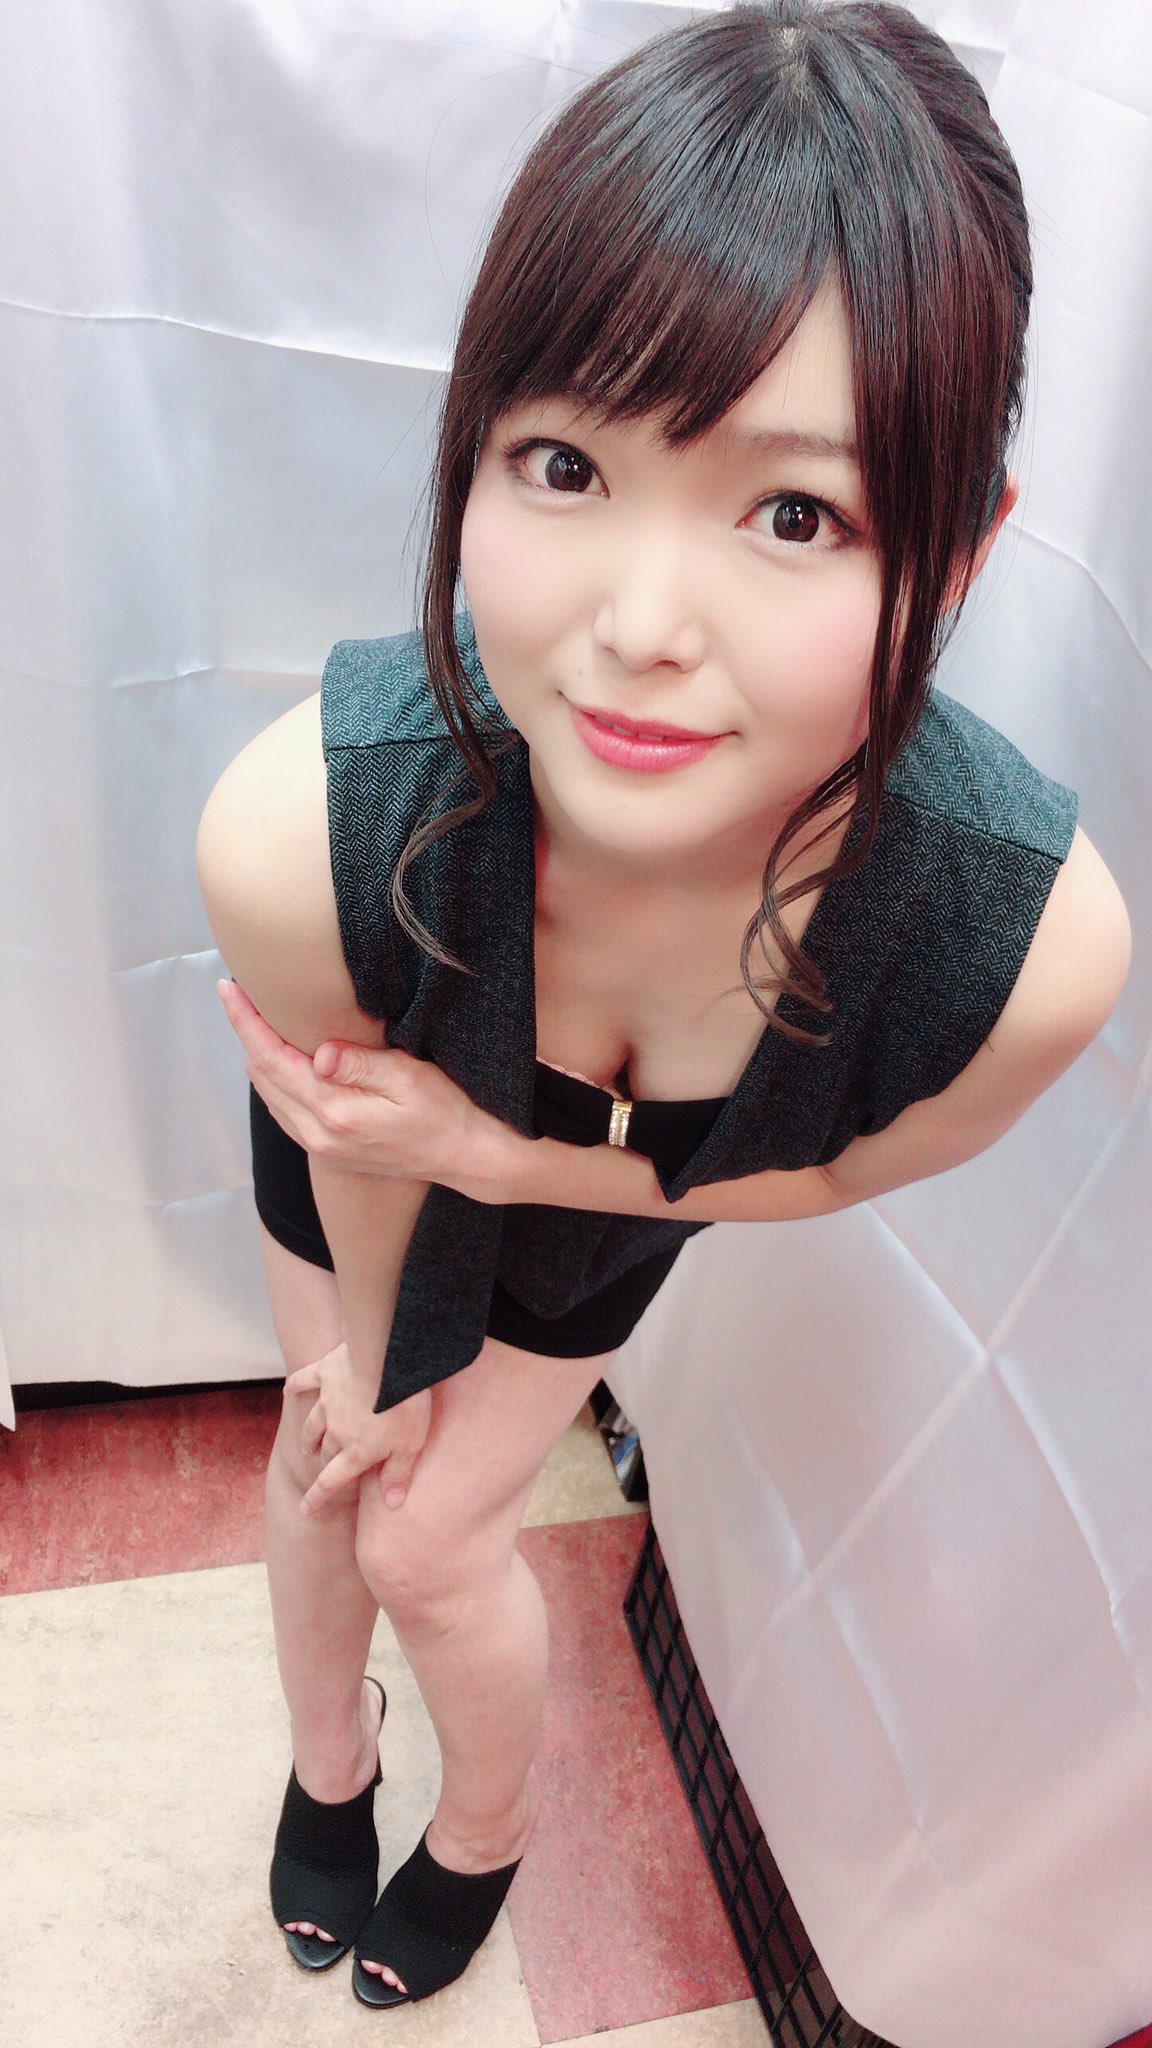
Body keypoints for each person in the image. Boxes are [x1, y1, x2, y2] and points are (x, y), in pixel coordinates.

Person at [195, 0, 1130, 2012]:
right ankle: (329, 1765)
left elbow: (821, 1176)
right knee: (328, 1468)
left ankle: (484, 1825)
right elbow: (361, 1155)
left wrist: (509, 1156)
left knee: (436, 1543)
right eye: (565, 463)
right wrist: (381, 1351)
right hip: (363, 1154)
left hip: (609, 1193)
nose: (635, 627)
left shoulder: (1007, 942)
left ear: (959, 549)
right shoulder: (308, 835)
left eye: (794, 513)